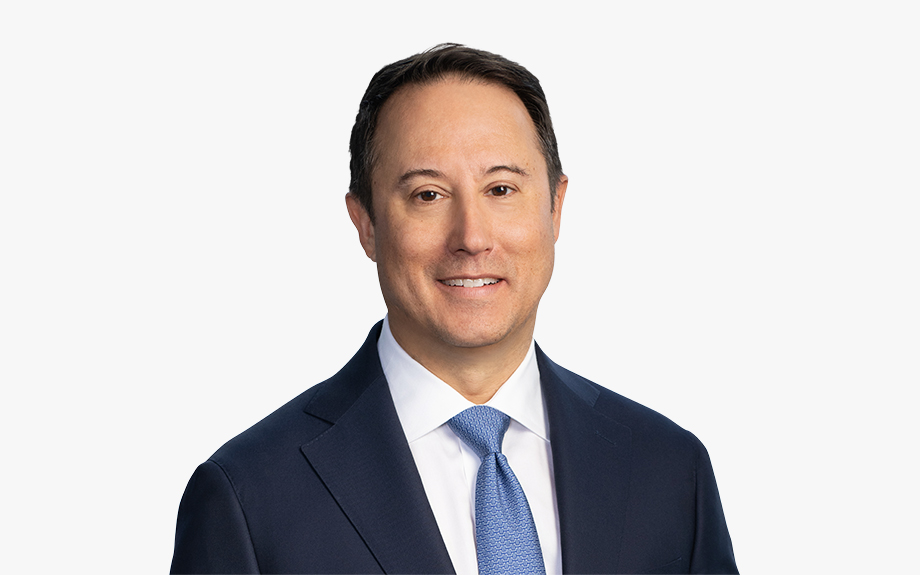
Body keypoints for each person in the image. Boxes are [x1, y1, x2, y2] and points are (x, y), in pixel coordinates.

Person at [170, 44, 738, 574]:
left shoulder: (670, 471)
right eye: (428, 195)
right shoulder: (249, 498)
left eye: (501, 190)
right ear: (365, 224)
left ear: (555, 208)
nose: (471, 237)